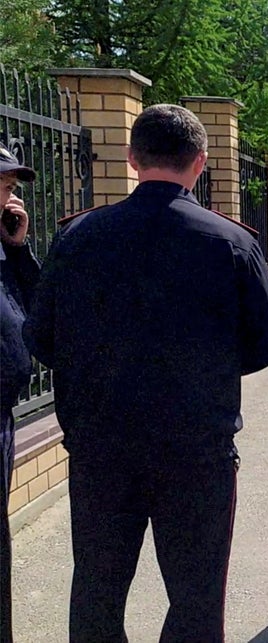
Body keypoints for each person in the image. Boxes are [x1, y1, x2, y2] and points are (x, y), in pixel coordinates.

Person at [23, 104, 268, 642]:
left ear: (131, 158)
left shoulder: (78, 237)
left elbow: (40, 338)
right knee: (196, 597)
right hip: (196, 452)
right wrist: (206, 368)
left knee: (97, 590)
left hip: (102, 448)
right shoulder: (233, 243)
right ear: (201, 162)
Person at [0, 143, 39, 643]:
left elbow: (36, 306)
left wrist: (17, 248)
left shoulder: (4, 246)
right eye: (6, 188)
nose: (12, 200)